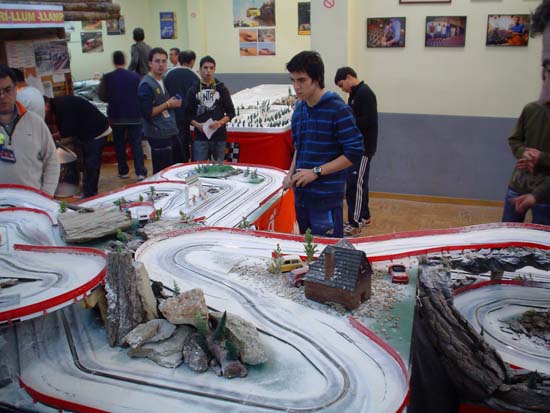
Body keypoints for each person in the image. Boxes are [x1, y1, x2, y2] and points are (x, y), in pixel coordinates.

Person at [284, 51, 364, 238]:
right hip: (302, 197)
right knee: (307, 247)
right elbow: (299, 147)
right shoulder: (300, 109)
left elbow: (354, 152)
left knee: (327, 251)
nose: (296, 87)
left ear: (317, 79)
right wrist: (290, 174)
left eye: (302, 80)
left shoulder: (338, 109)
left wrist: (316, 172)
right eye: (293, 80)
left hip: (326, 199)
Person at [0, 65, 59, 195]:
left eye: (7, 90)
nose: (2, 96)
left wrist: (46, 195)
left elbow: (52, 162)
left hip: (32, 200)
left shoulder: (35, 122)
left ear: (16, 90)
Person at [335, 66, 378, 237]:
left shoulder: (365, 93)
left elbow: (369, 120)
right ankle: (365, 216)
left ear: (349, 77)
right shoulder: (354, 94)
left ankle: (355, 222)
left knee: (355, 185)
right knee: (359, 183)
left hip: (363, 148)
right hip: (355, 147)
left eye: (341, 85)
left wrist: (348, 122)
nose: (342, 89)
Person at [44, 95, 111, 198]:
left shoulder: (62, 106)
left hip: (97, 131)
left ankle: (90, 194)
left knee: (91, 163)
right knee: (85, 163)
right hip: (86, 132)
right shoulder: (57, 106)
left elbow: (67, 130)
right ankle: (86, 189)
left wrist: (50, 138)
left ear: (47, 104)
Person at [98, 50, 147, 181]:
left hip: (116, 116)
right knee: (136, 144)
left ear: (113, 62)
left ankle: (123, 171)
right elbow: (142, 94)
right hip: (134, 116)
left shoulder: (107, 77)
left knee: (119, 144)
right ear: (125, 61)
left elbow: (102, 96)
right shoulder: (135, 76)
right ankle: (140, 172)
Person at [137, 47, 182, 173]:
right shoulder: (146, 85)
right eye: (157, 61)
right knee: (162, 171)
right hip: (157, 134)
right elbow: (148, 113)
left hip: (170, 130)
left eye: (164, 61)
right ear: (150, 63)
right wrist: (168, 104)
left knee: (175, 167)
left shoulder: (162, 80)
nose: (161, 65)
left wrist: (173, 103)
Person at [186, 55, 235, 162]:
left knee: (219, 168)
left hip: (219, 137)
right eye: (205, 67)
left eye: (211, 68)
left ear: (214, 70)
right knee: (200, 167)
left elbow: (231, 112)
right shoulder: (193, 90)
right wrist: (197, 125)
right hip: (200, 138)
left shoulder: (222, 88)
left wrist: (220, 123)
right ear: (200, 70)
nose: (208, 71)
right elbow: (187, 114)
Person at [164, 50, 200, 163]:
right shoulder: (195, 75)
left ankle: (179, 164)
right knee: (192, 143)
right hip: (191, 116)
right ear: (192, 61)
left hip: (173, 114)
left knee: (178, 143)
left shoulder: (168, 74)